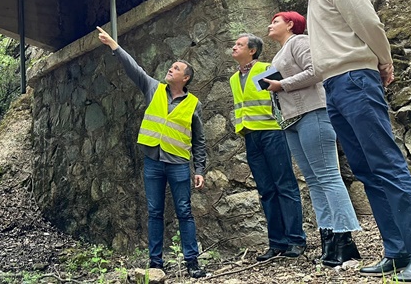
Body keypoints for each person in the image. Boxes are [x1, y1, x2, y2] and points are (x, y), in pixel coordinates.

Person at [286, 0, 411, 282]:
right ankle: (397, 251)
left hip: (356, 78)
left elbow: (369, 24)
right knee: (366, 169)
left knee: (386, 163)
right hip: (335, 85)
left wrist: (384, 61)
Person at [96, 26, 206, 278]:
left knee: (185, 211)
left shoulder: (193, 104)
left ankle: (192, 262)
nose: (171, 69)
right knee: (154, 212)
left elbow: (199, 140)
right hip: (153, 162)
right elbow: (134, 68)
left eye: (177, 68)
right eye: (172, 66)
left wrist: (199, 169)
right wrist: (114, 45)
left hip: (178, 164)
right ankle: (156, 263)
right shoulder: (153, 88)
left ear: (186, 78)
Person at [265, 11, 361, 267]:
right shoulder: (280, 53)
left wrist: (281, 84)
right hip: (292, 119)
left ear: (290, 23)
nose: (270, 25)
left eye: (275, 21)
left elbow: (317, 70)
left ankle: (345, 240)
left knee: (328, 175)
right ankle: (328, 238)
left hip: (313, 112)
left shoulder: (300, 41)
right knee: (314, 180)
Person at [230, 33, 306, 261]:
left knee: (285, 185)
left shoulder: (266, 68)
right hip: (250, 136)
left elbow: (280, 97)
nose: (234, 47)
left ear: (252, 50)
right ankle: (277, 243)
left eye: (239, 44)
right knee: (266, 190)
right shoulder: (234, 78)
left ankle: (295, 240)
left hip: (272, 132)